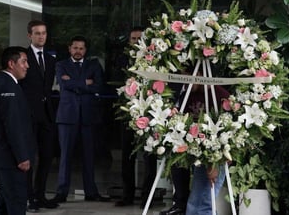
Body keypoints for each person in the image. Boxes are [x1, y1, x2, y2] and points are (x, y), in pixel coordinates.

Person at [161, 71, 230, 215]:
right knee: (195, 204)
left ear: (199, 73)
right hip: (199, 154)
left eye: (188, 76)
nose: (185, 81)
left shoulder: (219, 94)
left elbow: (228, 133)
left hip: (216, 155)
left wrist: (216, 163)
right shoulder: (187, 94)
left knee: (204, 203)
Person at [52, 35, 110, 203]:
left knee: (89, 156)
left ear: (85, 50)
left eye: (81, 48)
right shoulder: (61, 65)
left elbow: (99, 85)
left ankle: (91, 192)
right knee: (65, 156)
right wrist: (86, 83)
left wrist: (75, 82)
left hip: (88, 116)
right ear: (70, 49)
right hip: (67, 116)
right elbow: (64, 85)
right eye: (75, 48)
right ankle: (61, 193)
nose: (78, 51)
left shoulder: (94, 64)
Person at [0, 46, 35, 215]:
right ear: (11, 63)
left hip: (7, 157)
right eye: (23, 61)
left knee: (5, 203)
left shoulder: (7, 84)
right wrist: (22, 157)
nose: (27, 66)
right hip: (11, 158)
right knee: (16, 203)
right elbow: (13, 125)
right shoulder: (7, 86)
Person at [114, 27, 157, 208]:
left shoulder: (153, 58)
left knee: (149, 157)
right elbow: (116, 80)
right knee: (127, 157)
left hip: (149, 112)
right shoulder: (123, 59)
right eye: (133, 38)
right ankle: (127, 194)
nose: (136, 41)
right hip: (128, 112)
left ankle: (148, 196)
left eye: (140, 38)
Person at [19, 20, 58, 212]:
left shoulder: (51, 60)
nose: (41, 36)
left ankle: (40, 195)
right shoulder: (23, 59)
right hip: (29, 115)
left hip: (47, 115)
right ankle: (28, 197)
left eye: (43, 33)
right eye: (37, 33)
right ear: (29, 36)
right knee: (29, 158)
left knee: (47, 156)